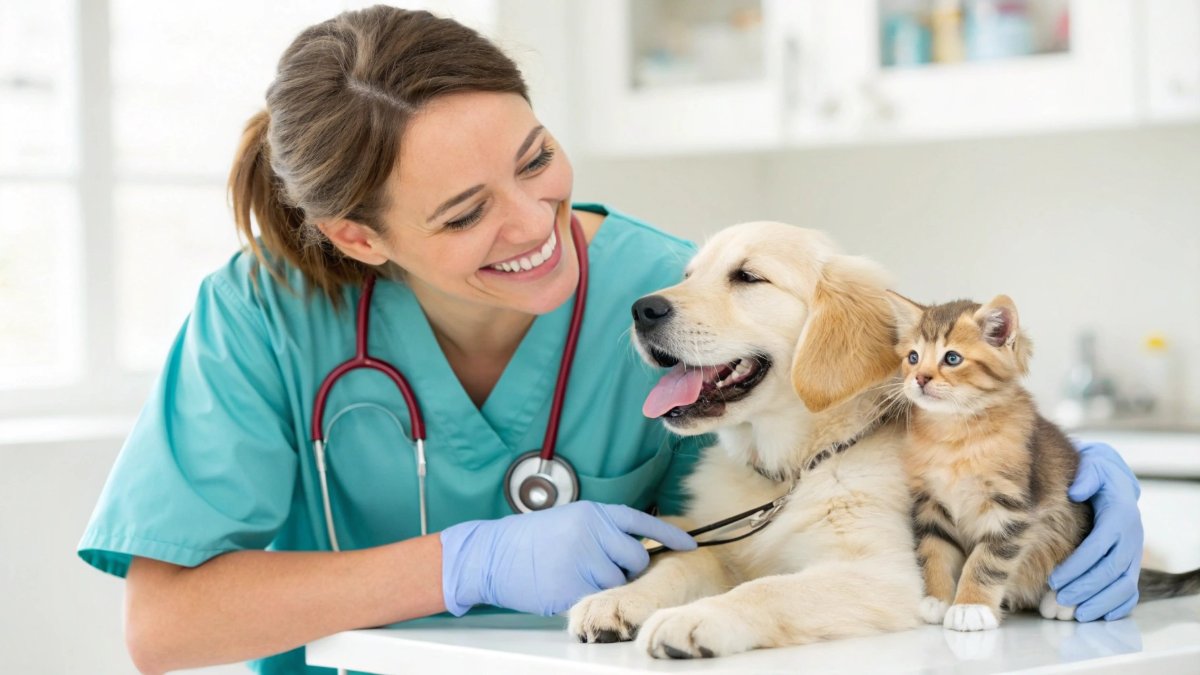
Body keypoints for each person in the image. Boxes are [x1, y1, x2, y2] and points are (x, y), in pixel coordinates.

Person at [76, 6, 1145, 675]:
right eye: (462, 215)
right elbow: (164, 628)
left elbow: (886, 358)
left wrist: (1069, 478)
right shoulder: (258, 317)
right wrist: (468, 561)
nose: (533, 223)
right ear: (361, 237)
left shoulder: (676, 289)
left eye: (535, 158)